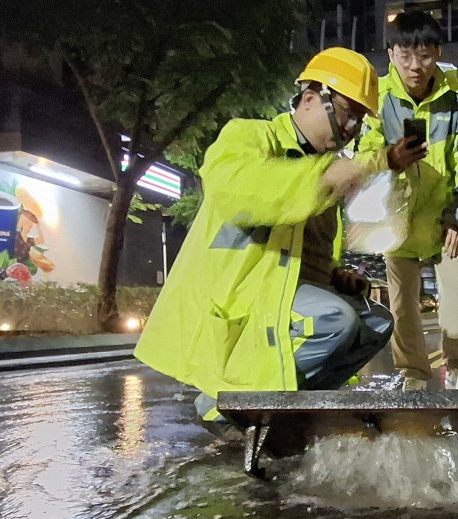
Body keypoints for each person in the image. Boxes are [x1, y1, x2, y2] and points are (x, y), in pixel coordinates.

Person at [135, 47, 421, 436]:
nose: (353, 128)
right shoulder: (248, 138)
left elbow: (309, 251)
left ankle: (299, 410)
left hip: (282, 294)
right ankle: (224, 404)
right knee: (334, 321)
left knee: (374, 322)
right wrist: (371, 163)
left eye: (359, 119)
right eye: (347, 113)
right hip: (241, 298)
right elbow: (263, 195)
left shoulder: (322, 170)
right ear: (309, 99)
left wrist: (335, 276)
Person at [359, 10, 458, 391]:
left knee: (456, 287)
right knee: (402, 303)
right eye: (405, 55)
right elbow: (364, 154)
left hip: (444, 217)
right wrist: (390, 159)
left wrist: (457, 215)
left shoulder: (457, 98)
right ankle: (413, 373)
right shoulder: (377, 99)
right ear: (390, 54)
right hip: (396, 220)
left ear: (438, 53)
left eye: (425, 56)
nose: (416, 66)